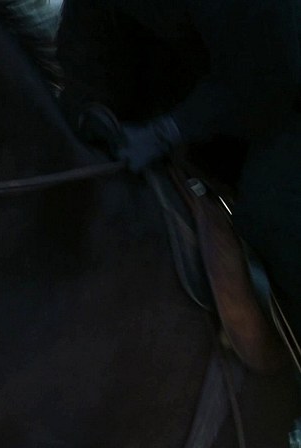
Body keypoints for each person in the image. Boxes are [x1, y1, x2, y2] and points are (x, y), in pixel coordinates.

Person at [55, 0, 301, 361]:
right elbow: (86, 53)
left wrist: (169, 130)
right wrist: (87, 113)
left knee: (272, 207)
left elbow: (269, 70)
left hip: (281, 104)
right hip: (187, 122)